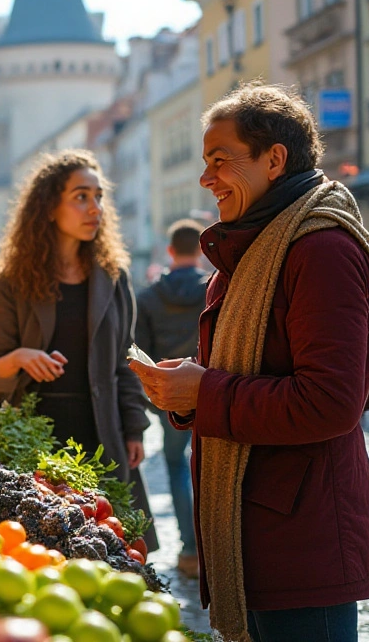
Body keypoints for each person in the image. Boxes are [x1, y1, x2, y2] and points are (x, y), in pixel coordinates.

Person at [129, 83, 369, 642]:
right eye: (205, 163)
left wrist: (204, 393)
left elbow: (329, 402)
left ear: (275, 160)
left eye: (220, 161)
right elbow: (244, 381)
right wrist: (186, 394)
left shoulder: (320, 248)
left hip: (303, 541)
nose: (207, 179)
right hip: (262, 533)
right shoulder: (253, 248)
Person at [0, 150, 155, 552]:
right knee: (46, 549)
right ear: (49, 207)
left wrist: (133, 428)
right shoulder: (15, 280)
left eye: (98, 196)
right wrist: (22, 357)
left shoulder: (113, 276)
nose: (94, 207)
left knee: (111, 547)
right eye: (81, 196)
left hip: (102, 435)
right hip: (37, 439)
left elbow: (128, 360)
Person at [134, 219, 209, 580]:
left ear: (169, 251)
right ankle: (216, 548)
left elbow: (140, 355)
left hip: (169, 398)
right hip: (211, 391)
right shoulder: (214, 290)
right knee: (214, 470)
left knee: (178, 465)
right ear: (200, 249)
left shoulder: (149, 297)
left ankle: (190, 550)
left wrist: (157, 399)